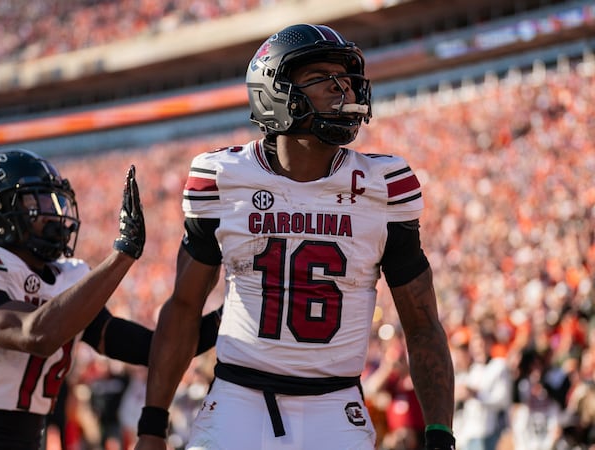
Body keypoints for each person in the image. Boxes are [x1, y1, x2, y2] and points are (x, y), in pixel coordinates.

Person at [135, 24, 455, 450]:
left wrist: (440, 434)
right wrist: (153, 426)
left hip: (335, 407)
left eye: (344, 77)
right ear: (275, 90)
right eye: (321, 77)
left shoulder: (385, 184)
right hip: (237, 403)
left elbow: (422, 324)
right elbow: (185, 306)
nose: (342, 88)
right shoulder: (222, 178)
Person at [0, 149, 220, 450]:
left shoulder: (65, 277)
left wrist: (234, 313)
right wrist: (121, 257)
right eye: (36, 202)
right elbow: (36, 334)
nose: (54, 213)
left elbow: (154, 348)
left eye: (55, 201)